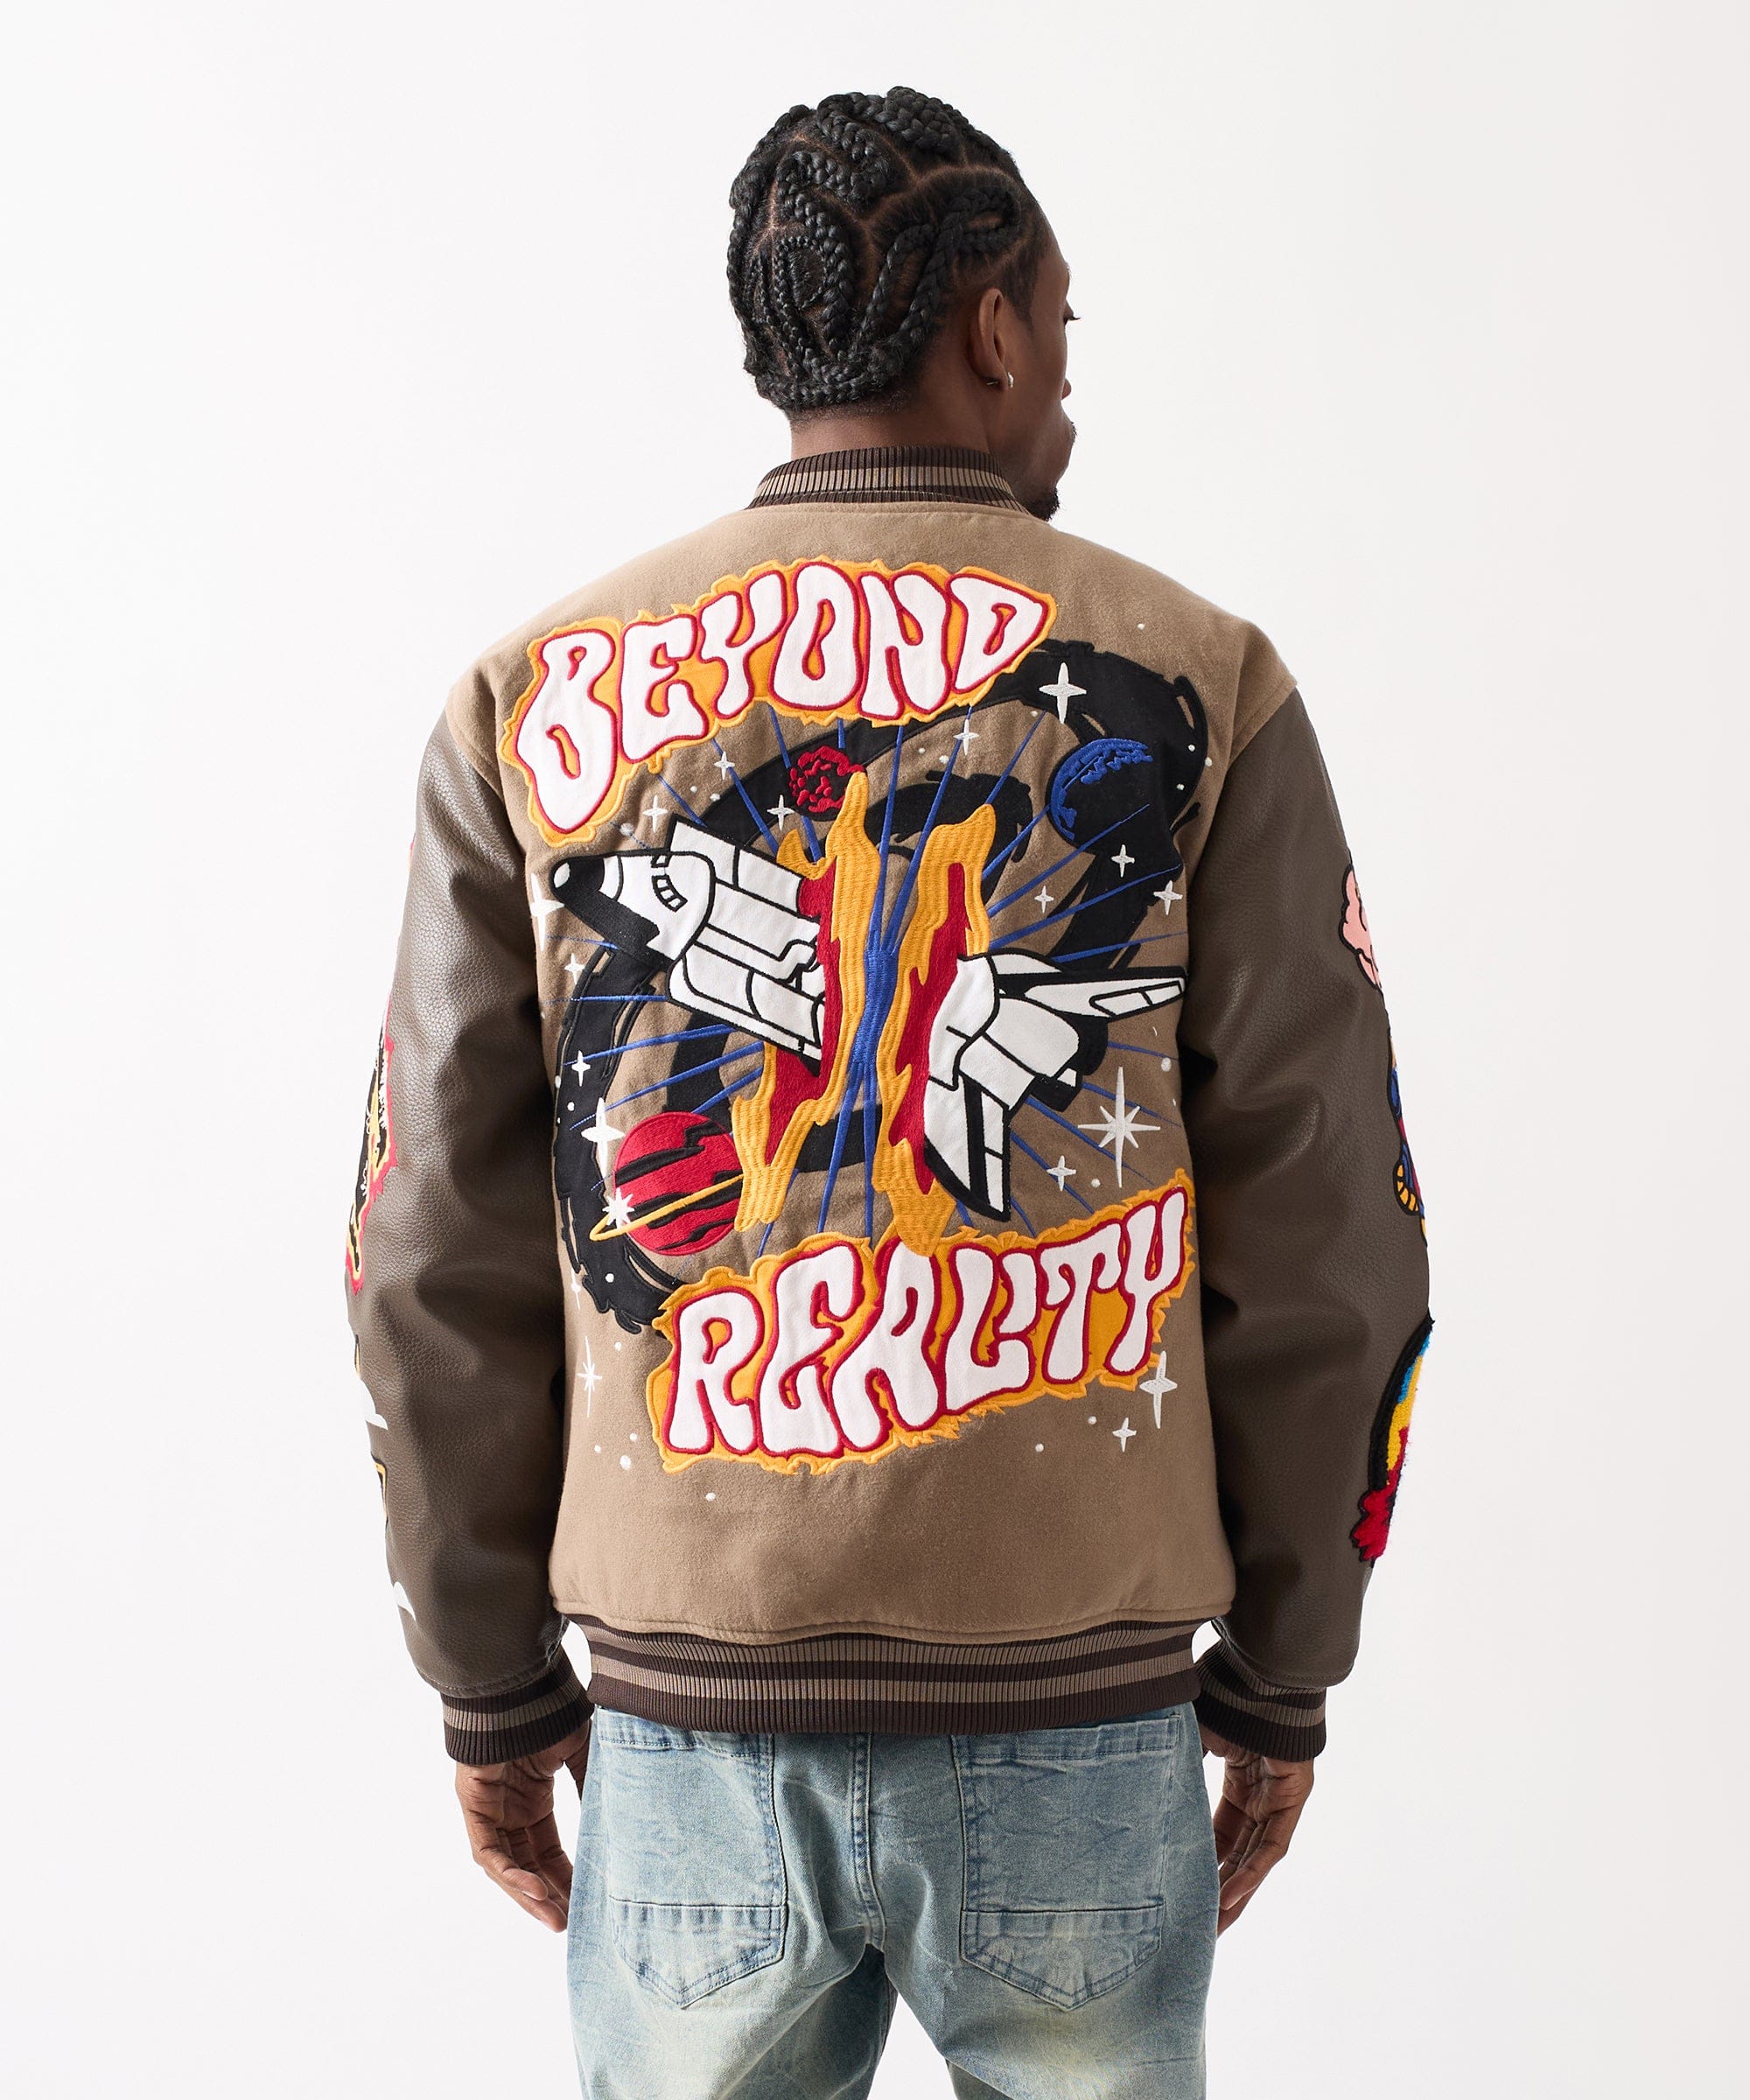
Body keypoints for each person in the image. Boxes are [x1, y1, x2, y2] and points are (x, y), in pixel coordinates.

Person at [344, 84, 1432, 2100]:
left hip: (685, 1716)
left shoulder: (527, 694)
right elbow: (1324, 1226)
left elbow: (426, 1243)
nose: (1068, 391)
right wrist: (1287, 1665)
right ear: (992, 328)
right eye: (1063, 333)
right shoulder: (1207, 674)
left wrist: (484, 1675)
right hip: (1077, 1708)